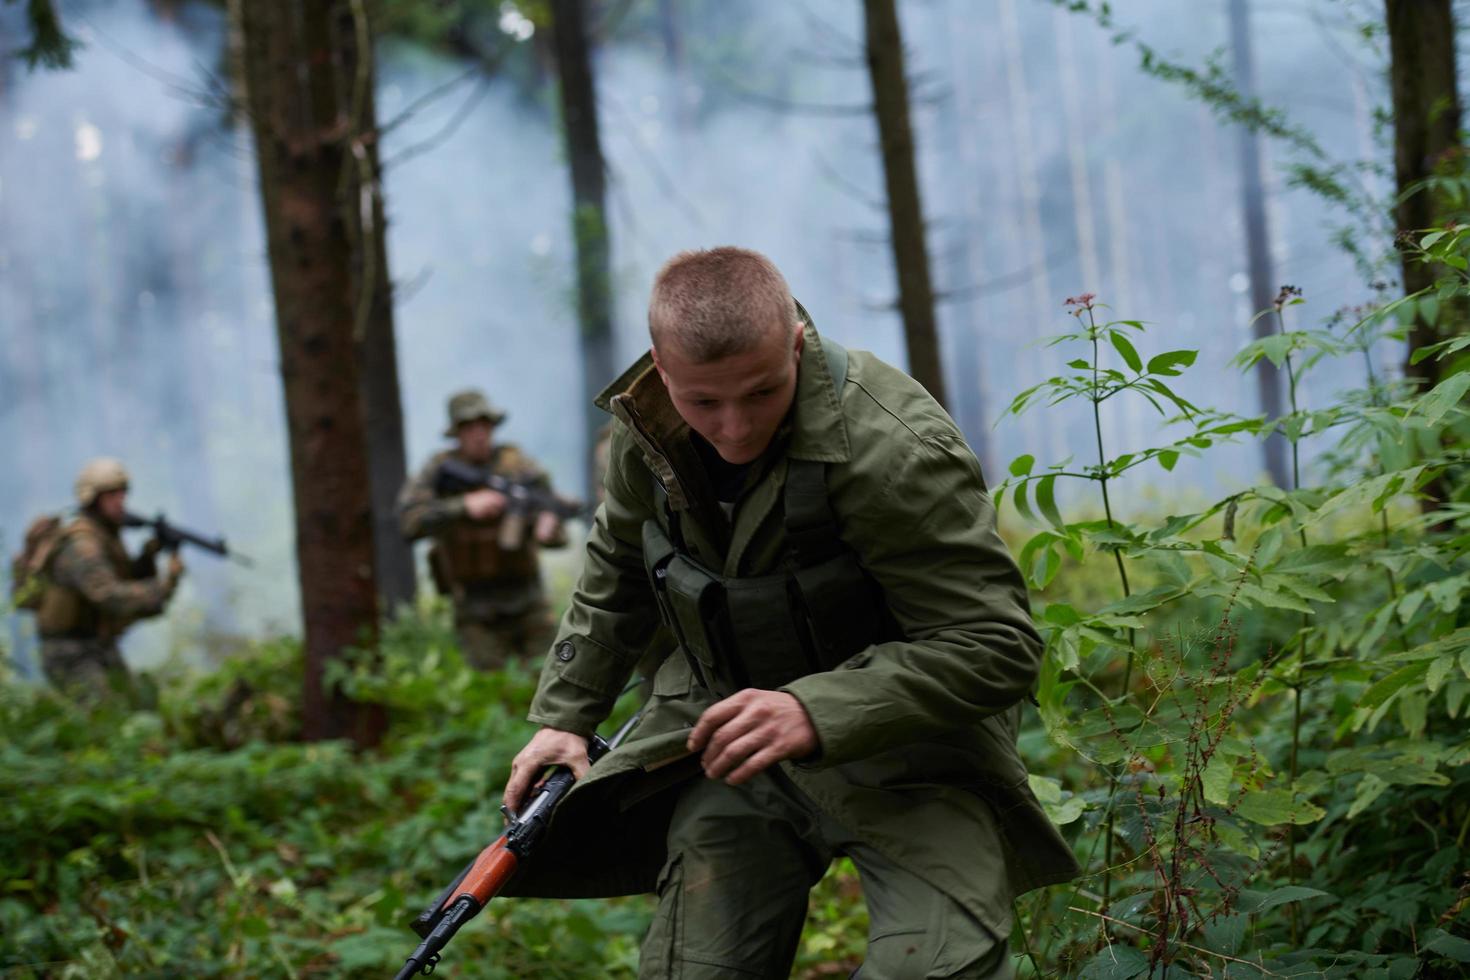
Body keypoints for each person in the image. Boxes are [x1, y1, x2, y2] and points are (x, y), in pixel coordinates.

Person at [499, 247, 1078, 978]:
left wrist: (814, 709)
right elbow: (620, 567)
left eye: (762, 392)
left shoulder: (892, 447)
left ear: (796, 342)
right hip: (732, 746)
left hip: (914, 752)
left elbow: (994, 645)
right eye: (703, 401)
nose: (735, 428)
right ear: (660, 367)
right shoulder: (643, 435)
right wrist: (566, 717)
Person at [398, 389, 570, 670]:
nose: (479, 435)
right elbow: (409, 522)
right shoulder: (439, 471)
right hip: (475, 609)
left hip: (528, 601)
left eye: (484, 425)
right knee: (491, 694)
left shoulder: (518, 467)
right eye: (469, 427)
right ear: (456, 432)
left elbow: (554, 522)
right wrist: (463, 506)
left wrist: (548, 527)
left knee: (551, 684)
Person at [34, 458, 184, 701]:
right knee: (108, 719)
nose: (120, 501)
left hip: (97, 644)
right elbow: (109, 596)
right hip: (70, 653)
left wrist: (149, 555)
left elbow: (122, 579)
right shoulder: (83, 543)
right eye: (111, 495)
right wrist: (163, 586)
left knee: (139, 708)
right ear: (92, 499)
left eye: (122, 494)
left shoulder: (104, 534)